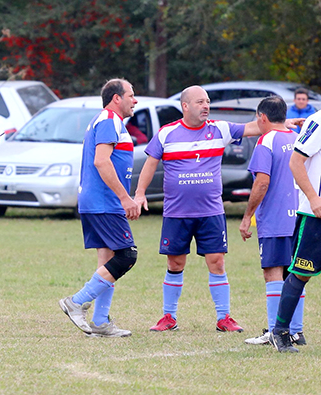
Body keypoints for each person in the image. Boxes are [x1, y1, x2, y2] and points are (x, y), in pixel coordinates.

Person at [135, 86, 289, 333]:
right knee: (175, 263)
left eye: (207, 102)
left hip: (211, 212)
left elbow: (256, 127)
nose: (206, 106)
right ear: (185, 106)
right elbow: (150, 163)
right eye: (200, 102)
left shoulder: (220, 129)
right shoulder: (167, 133)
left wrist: (283, 122)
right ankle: (168, 317)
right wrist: (140, 193)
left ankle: (224, 317)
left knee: (217, 263)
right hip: (177, 212)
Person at [58, 78, 140, 338]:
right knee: (127, 256)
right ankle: (76, 302)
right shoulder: (108, 120)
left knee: (107, 261)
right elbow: (102, 162)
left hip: (97, 202)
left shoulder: (109, 121)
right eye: (131, 95)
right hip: (105, 203)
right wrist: (125, 197)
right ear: (116, 98)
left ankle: (101, 322)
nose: (135, 100)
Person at [239, 96, 305, 346]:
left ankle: (275, 332)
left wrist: (247, 217)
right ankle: (295, 330)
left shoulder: (266, 140)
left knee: (273, 273)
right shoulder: (297, 137)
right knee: (296, 273)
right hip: (299, 216)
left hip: (276, 219)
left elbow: (262, 182)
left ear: (262, 117)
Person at [270, 108, 321, 353]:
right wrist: (314, 198)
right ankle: (280, 332)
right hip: (316, 215)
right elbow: (295, 161)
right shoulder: (317, 120)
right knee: (302, 273)